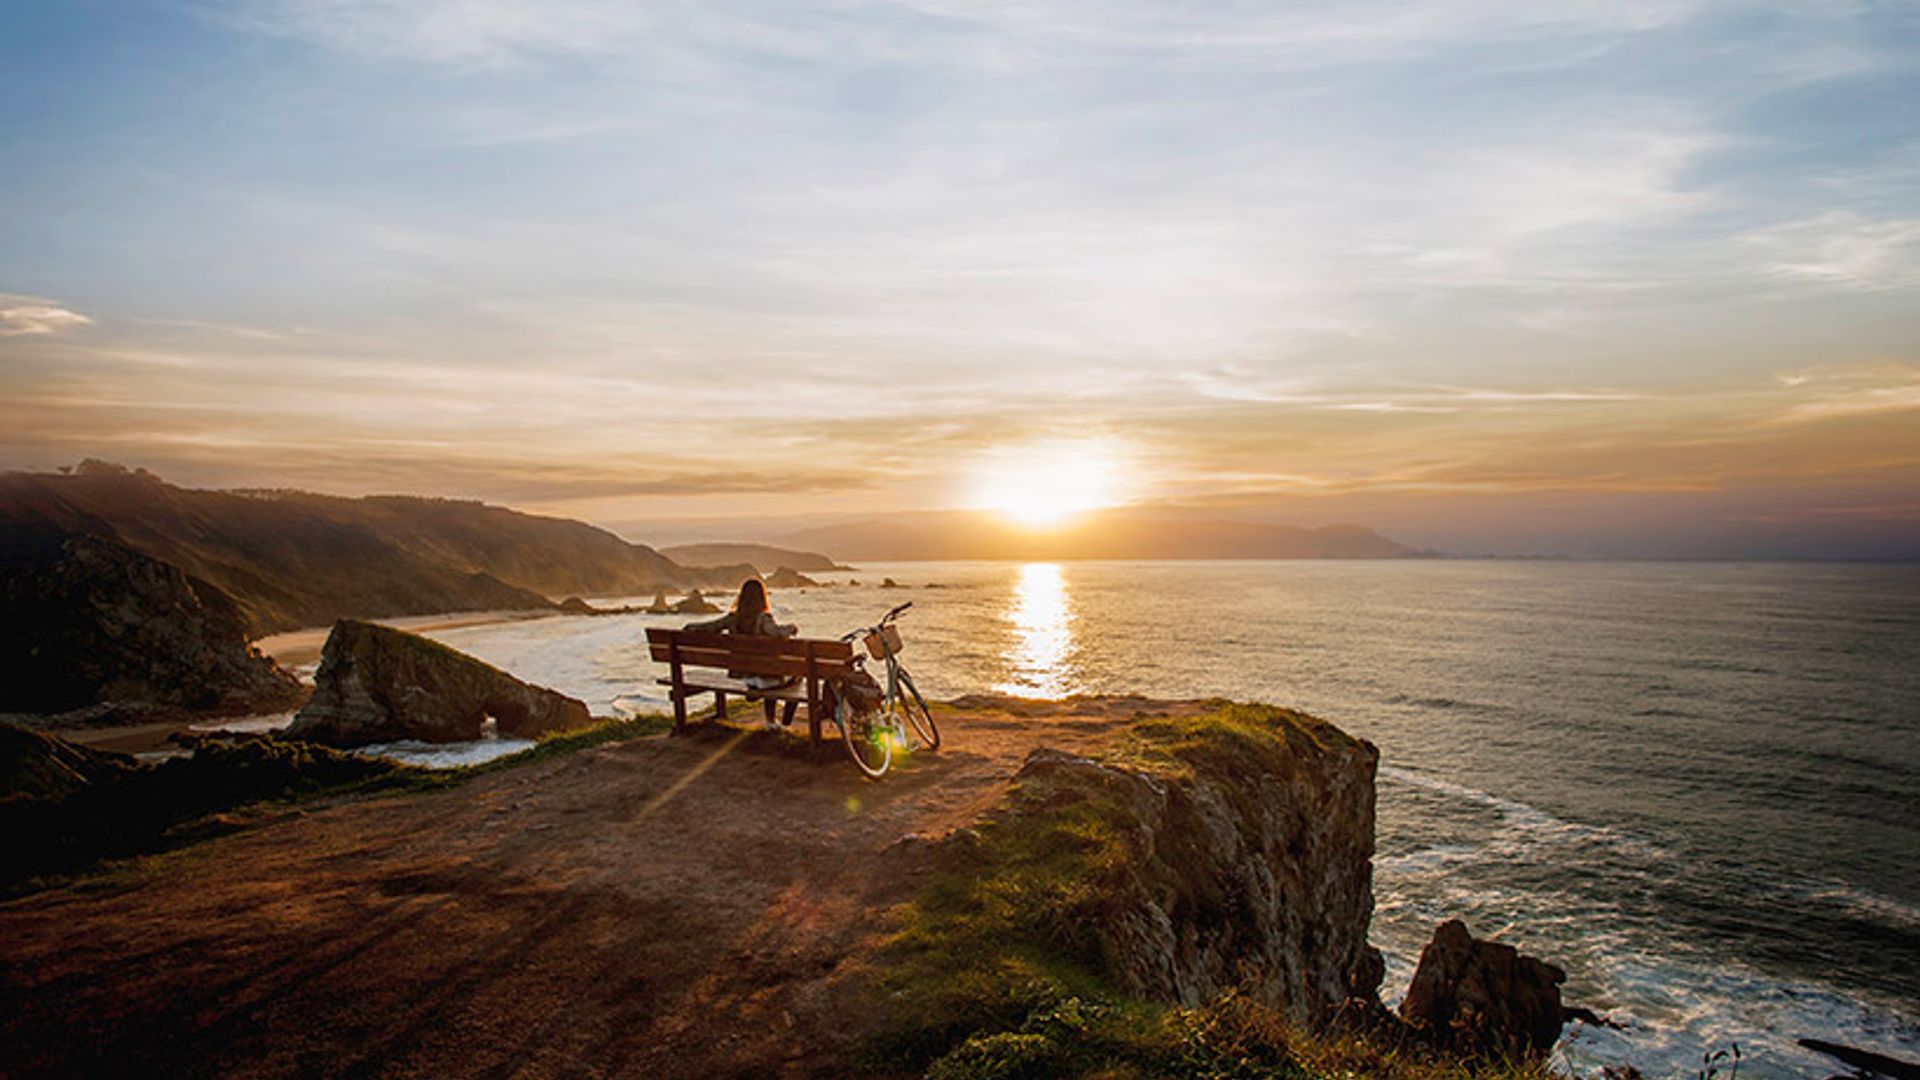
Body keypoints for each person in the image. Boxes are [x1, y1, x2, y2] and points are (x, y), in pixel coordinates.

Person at [684, 578, 798, 725]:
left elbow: (711, 626)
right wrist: (792, 628)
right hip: (766, 677)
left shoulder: (732, 618)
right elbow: (775, 632)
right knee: (796, 678)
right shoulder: (764, 618)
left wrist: (692, 627)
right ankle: (778, 722)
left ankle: (759, 695)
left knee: (767, 673)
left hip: (744, 675)